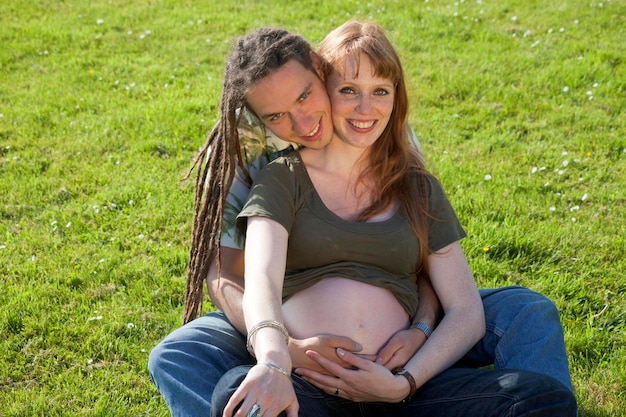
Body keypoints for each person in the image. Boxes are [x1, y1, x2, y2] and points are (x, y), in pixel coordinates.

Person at [148, 23, 576, 417]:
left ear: (320, 73)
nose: (300, 122)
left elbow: (438, 276)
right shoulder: (266, 164)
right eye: (276, 116)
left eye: (303, 97)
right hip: (306, 367)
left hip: (405, 369)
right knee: (213, 376)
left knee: (534, 368)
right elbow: (241, 275)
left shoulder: (394, 150)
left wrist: (417, 344)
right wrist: (280, 353)